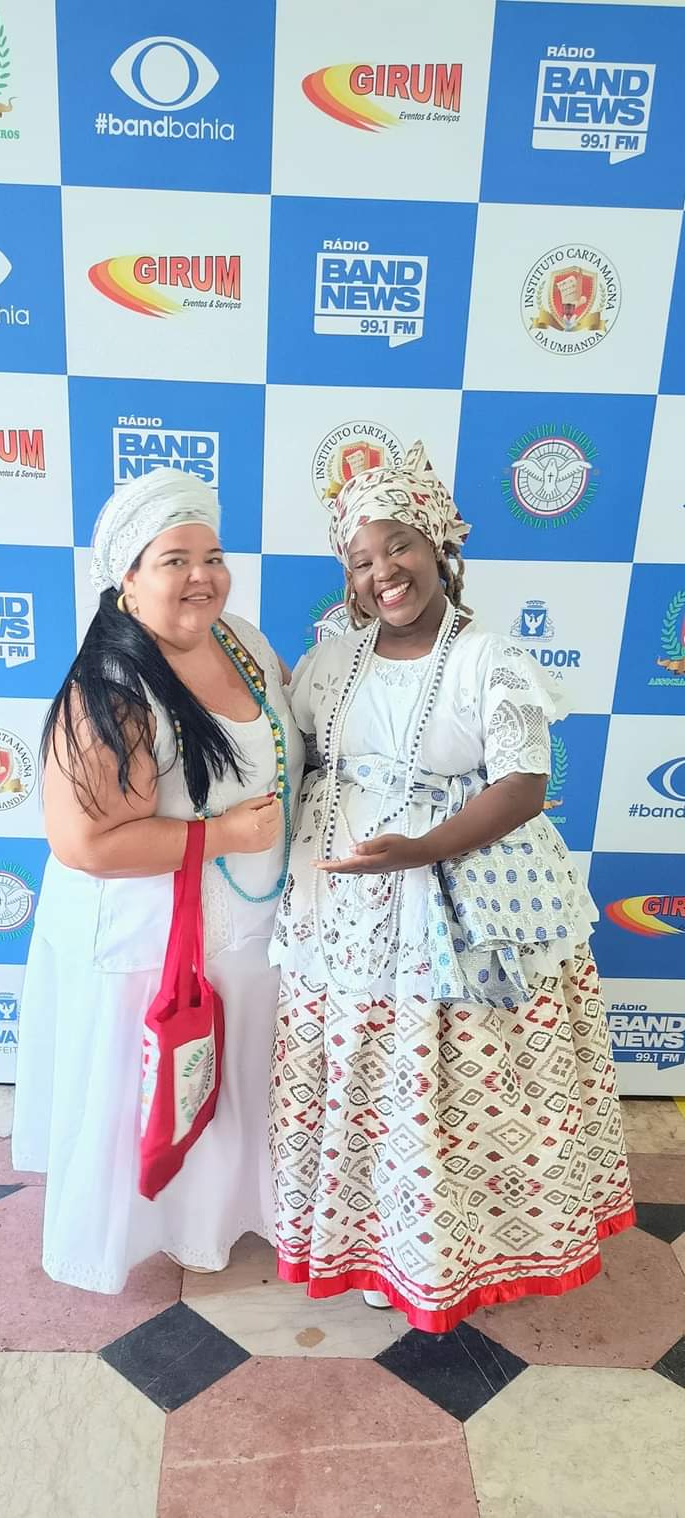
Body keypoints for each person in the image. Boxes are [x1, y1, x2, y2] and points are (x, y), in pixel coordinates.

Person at [269, 441, 633, 1332]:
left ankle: (460, 1255)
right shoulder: (332, 659)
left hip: (461, 905)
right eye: (362, 560)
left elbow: (524, 785)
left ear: (437, 545)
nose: (384, 572)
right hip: (345, 907)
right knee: (364, 1079)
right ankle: (369, 1247)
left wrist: (422, 850)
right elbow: (297, 754)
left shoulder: (489, 658)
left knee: (451, 1088)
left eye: (399, 545)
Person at [11, 467, 304, 1292]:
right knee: (152, 1089)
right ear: (128, 579)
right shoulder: (111, 688)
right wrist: (225, 836)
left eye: (213, 556)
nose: (202, 577)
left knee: (231, 1086)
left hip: (249, 931)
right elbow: (85, 844)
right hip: (150, 943)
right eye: (175, 560)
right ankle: (149, 1233)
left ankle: (218, 1223)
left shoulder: (241, 639)